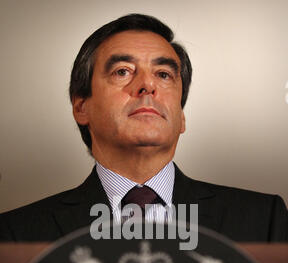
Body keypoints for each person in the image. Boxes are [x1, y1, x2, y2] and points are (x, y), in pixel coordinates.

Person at [0, 13, 287, 242]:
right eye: (122, 71)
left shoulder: (263, 221)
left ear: (181, 116)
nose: (148, 85)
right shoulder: (16, 235)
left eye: (163, 74)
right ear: (81, 107)